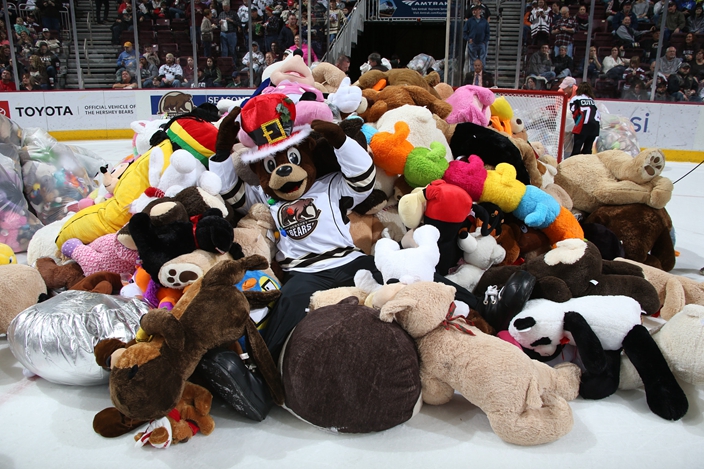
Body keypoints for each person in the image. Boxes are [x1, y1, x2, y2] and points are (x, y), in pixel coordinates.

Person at [208, 105, 538, 418]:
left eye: (293, 159)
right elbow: (228, 190)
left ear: (307, 157)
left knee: (413, 272)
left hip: (350, 260)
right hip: (304, 271)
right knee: (288, 305)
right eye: (270, 166)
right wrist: (222, 151)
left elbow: (361, 173)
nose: (282, 171)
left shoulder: (329, 184)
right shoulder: (263, 197)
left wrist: (339, 139)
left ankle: (486, 307)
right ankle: (260, 381)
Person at [568, 82, 600, 157]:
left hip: (583, 125)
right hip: (595, 126)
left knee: (576, 149)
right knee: (588, 150)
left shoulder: (575, 98)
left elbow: (574, 112)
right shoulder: (591, 100)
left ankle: (573, 165)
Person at [463, 4, 490, 69]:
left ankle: (482, 74)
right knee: (473, 60)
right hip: (473, 43)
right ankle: (473, 74)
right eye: (473, 10)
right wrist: (468, 39)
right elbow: (464, 32)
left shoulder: (484, 22)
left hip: (481, 43)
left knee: (482, 60)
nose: (474, 11)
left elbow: (487, 33)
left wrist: (485, 41)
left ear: (479, 10)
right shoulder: (469, 21)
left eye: (475, 10)